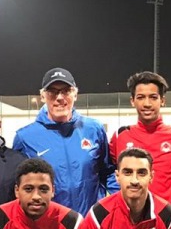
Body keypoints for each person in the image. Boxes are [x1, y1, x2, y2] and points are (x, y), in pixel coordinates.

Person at [13, 67, 116, 216]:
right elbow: (20, 186)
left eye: (66, 91)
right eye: (53, 92)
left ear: (75, 94)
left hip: (89, 224)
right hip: (50, 227)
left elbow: (108, 173)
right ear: (43, 96)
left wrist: (118, 207)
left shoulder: (94, 129)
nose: (60, 97)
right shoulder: (25, 137)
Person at [108, 71, 171, 207]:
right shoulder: (120, 136)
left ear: (162, 100)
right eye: (140, 97)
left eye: (153, 97)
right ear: (132, 101)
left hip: (167, 220)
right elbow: (110, 172)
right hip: (130, 221)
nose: (147, 104)